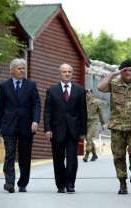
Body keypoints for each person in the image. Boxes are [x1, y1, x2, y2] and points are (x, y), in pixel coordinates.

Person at [98, 59, 131, 194]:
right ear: (121, 72)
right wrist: (113, 74)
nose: (129, 73)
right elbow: (100, 87)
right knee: (118, 156)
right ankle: (122, 183)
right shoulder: (114, 84)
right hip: (117, 127)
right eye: (125, 70)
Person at [0, 58, 40, 193]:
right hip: (9, 126)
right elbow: (1, 107)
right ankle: (9, 183)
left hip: (26, 126)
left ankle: (22, 183)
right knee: (10, 154)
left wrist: (35, 121)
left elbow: (36, 104)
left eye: (23, 68)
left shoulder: (31, 85)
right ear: (12, 70)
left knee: (24, 156)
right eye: (19, 68)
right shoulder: (4, 86)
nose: (22, 71)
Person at [44, 63, 87, 194]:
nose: (67, 74)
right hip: (57, 130)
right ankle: (60, 184)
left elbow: (83, 112)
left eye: (69, 72)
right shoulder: (52, 91)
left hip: (73, 131)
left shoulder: (79, 90)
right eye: (64, 72)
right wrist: (47, 129)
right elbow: (47, 112)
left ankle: (70, 183)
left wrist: (83, 131)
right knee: (58, 159)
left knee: (72, 159)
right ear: (60, 73)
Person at [83, 89, 105, 162]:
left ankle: (87, 154)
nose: (87, 94)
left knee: (89, 137)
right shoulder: (83, 102)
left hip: (94, 122)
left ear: (92, 94)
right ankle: (94, 154)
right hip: (86, 122)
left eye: (89, 93)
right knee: (88, 139)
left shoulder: (97, 102)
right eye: (86, 93)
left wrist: (103, 123)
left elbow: (100, 113)